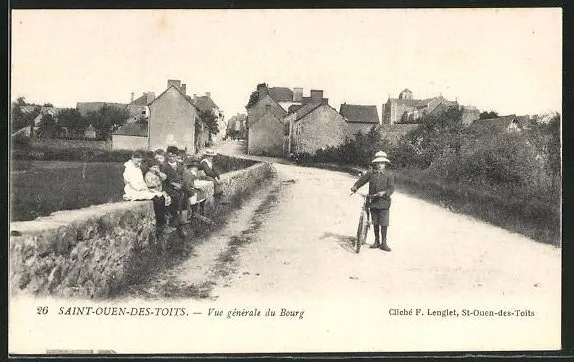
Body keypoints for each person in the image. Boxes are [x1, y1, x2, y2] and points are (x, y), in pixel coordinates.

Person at [350, 151, 395, 251]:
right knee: (375, 222)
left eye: (382, 163)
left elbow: (391, 188)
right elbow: (362, 180)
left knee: (384, 223)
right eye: (378, 163)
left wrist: (384, 193)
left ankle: (384, 243)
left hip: (384, 202)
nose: (380, 165)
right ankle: (376, 241)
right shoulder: (371, 173)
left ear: (385, 164)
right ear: (375, 164)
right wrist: (355, 186)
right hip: (373, 201)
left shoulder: (389, 175)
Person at [122, 150, 167, 228]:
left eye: (140, 162)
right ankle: (160, 224)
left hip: (141, 189)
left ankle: (161, 222)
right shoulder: (129, 168)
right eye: (138, 161)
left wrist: (146, 189)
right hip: (133, 190)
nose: (139, 164)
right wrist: (145, 189)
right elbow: (134, 185)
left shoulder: (137, 168)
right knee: (158, 199)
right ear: (133, 158)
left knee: (160, 196)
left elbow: (141, 182)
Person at [164, 145, 186, 225]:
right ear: (167, 156)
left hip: (179, 186)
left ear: (177, 156)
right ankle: (175, 217)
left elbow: (184, 177)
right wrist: (173, 184)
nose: (171, 158)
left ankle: (183, 218)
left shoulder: (181, 166)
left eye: (173, 156)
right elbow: (165, 179)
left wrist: (181, 185)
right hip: (168, 186)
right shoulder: (164, 166)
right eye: (170, 156)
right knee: (175, 196)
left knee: (185, 195)